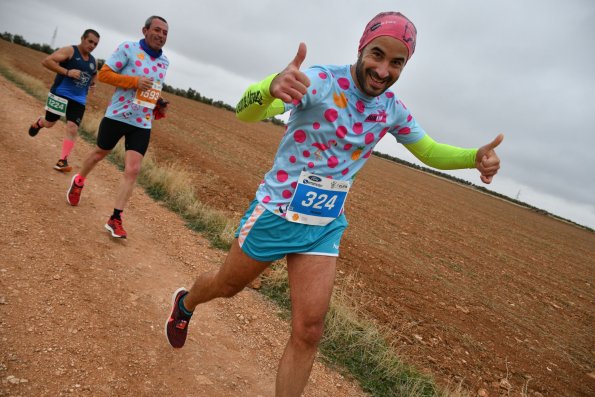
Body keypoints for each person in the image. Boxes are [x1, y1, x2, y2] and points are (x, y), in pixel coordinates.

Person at [166, 12, 503, 396]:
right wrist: (269, 87)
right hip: (275, 215)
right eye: (377, 55)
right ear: (361, 48)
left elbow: (429, 150)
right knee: (227, 286)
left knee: (309, 330)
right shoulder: (321, 82)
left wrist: (473, 156)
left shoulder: (390, 108)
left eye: (397, 63)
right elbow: (246, 113)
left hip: (324, 226)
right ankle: (187, 303)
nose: (383, 70)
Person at [66, 16, 170, 239]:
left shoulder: (165, 62)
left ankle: (115, 218)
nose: (161, 35)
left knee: (133, 169)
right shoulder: (128, 49)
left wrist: (158, 102)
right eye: (157, 30)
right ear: (145, 30)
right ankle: (79, 181)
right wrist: (133, 82)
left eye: (165, 33)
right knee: (99, 154)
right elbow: (104, 74)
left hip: (142, 122)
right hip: (118, 115)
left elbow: (151, 88)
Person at [28, 29, 100, 172]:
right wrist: (67, 72)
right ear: (82, 38)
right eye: (90, 41)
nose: (92, 45)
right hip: (60, 93)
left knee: (72, 127)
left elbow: (94, 73)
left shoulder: (93, 61)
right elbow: (47, 61)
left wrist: (93, 83)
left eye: (95, 44)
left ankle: (63, 161)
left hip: (79, 99)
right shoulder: (70, 51)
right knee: (49, 123)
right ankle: (39, 122)